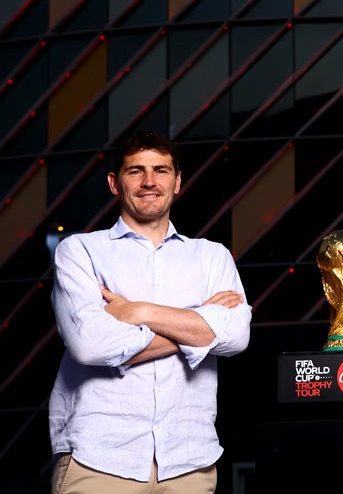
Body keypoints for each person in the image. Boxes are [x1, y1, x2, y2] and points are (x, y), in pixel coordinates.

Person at [48, 130, 252, 493]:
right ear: (114, 183)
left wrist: (138, 311)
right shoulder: (79, 252)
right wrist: (199, 322)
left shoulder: (212, 257)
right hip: (99, 460)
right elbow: (91, 345)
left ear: (177, 183)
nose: (148, 182)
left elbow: (235, 336)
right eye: (135, 171)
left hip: (188, 462)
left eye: (161, 170)